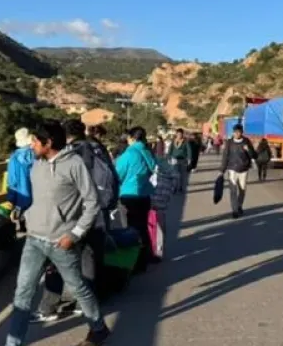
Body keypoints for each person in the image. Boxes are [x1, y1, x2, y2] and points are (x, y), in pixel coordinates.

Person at [0, 122, 110, 346]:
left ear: (48, 143)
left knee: (78, 287)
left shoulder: (74, 165)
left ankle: (98, 328)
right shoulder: (36, 164)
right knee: (22, 295)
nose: (31, 145)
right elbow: (29, 195)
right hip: (34, 240)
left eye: (35, 141)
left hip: (61, 242)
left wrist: (75, 234)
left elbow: (93, 202)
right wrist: (8, 211)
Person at [28, 119, 118, 323]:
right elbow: (112, 176)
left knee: (55, 260)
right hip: (98, 213)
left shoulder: (71, 154)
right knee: (90, 258)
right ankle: (86, 303)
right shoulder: (98, 148)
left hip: (74, 216)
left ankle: (48, 307)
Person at [114, 126, 157, 273]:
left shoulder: (129, 154)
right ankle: (144, 259)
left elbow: (117, 175)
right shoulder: (147, 151)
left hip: (129, 196)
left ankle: (135, 262)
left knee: (131, 230)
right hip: (144, 195)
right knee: (143, 228)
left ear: (131, 138)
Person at [220, 124, 256, 218]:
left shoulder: (246, 141)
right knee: (233, 190)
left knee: (242, 190)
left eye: (238, 132)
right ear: (233, 132)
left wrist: (248, 150)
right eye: (235, 132)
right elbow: (225, 156)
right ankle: (235, 210)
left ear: (242, 132)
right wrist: (222, 169)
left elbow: (254, 155)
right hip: (232, 169)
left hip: (243, 170)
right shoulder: (229, 142)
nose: (237, 134)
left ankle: (239, 205)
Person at [6, 128, 35, 232]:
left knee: (21, 206)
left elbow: (12, 179)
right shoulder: (36, 154)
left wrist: (11, 192)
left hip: (21, 189)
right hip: (35, 188)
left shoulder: (14, 157)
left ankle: (22, 226)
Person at [167, 129, 191, 193]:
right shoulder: (173, 141)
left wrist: (189, 159)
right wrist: (168, 158)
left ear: (182, 134)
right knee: (175, 174)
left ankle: (181, 187)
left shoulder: (185, 142)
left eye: (180, 134)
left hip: (183, 160)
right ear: (176, 134)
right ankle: (174, 188)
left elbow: (189, 150)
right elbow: (170, 150)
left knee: (182, 175)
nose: (179, 135)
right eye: (178, 134)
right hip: (174, 160)